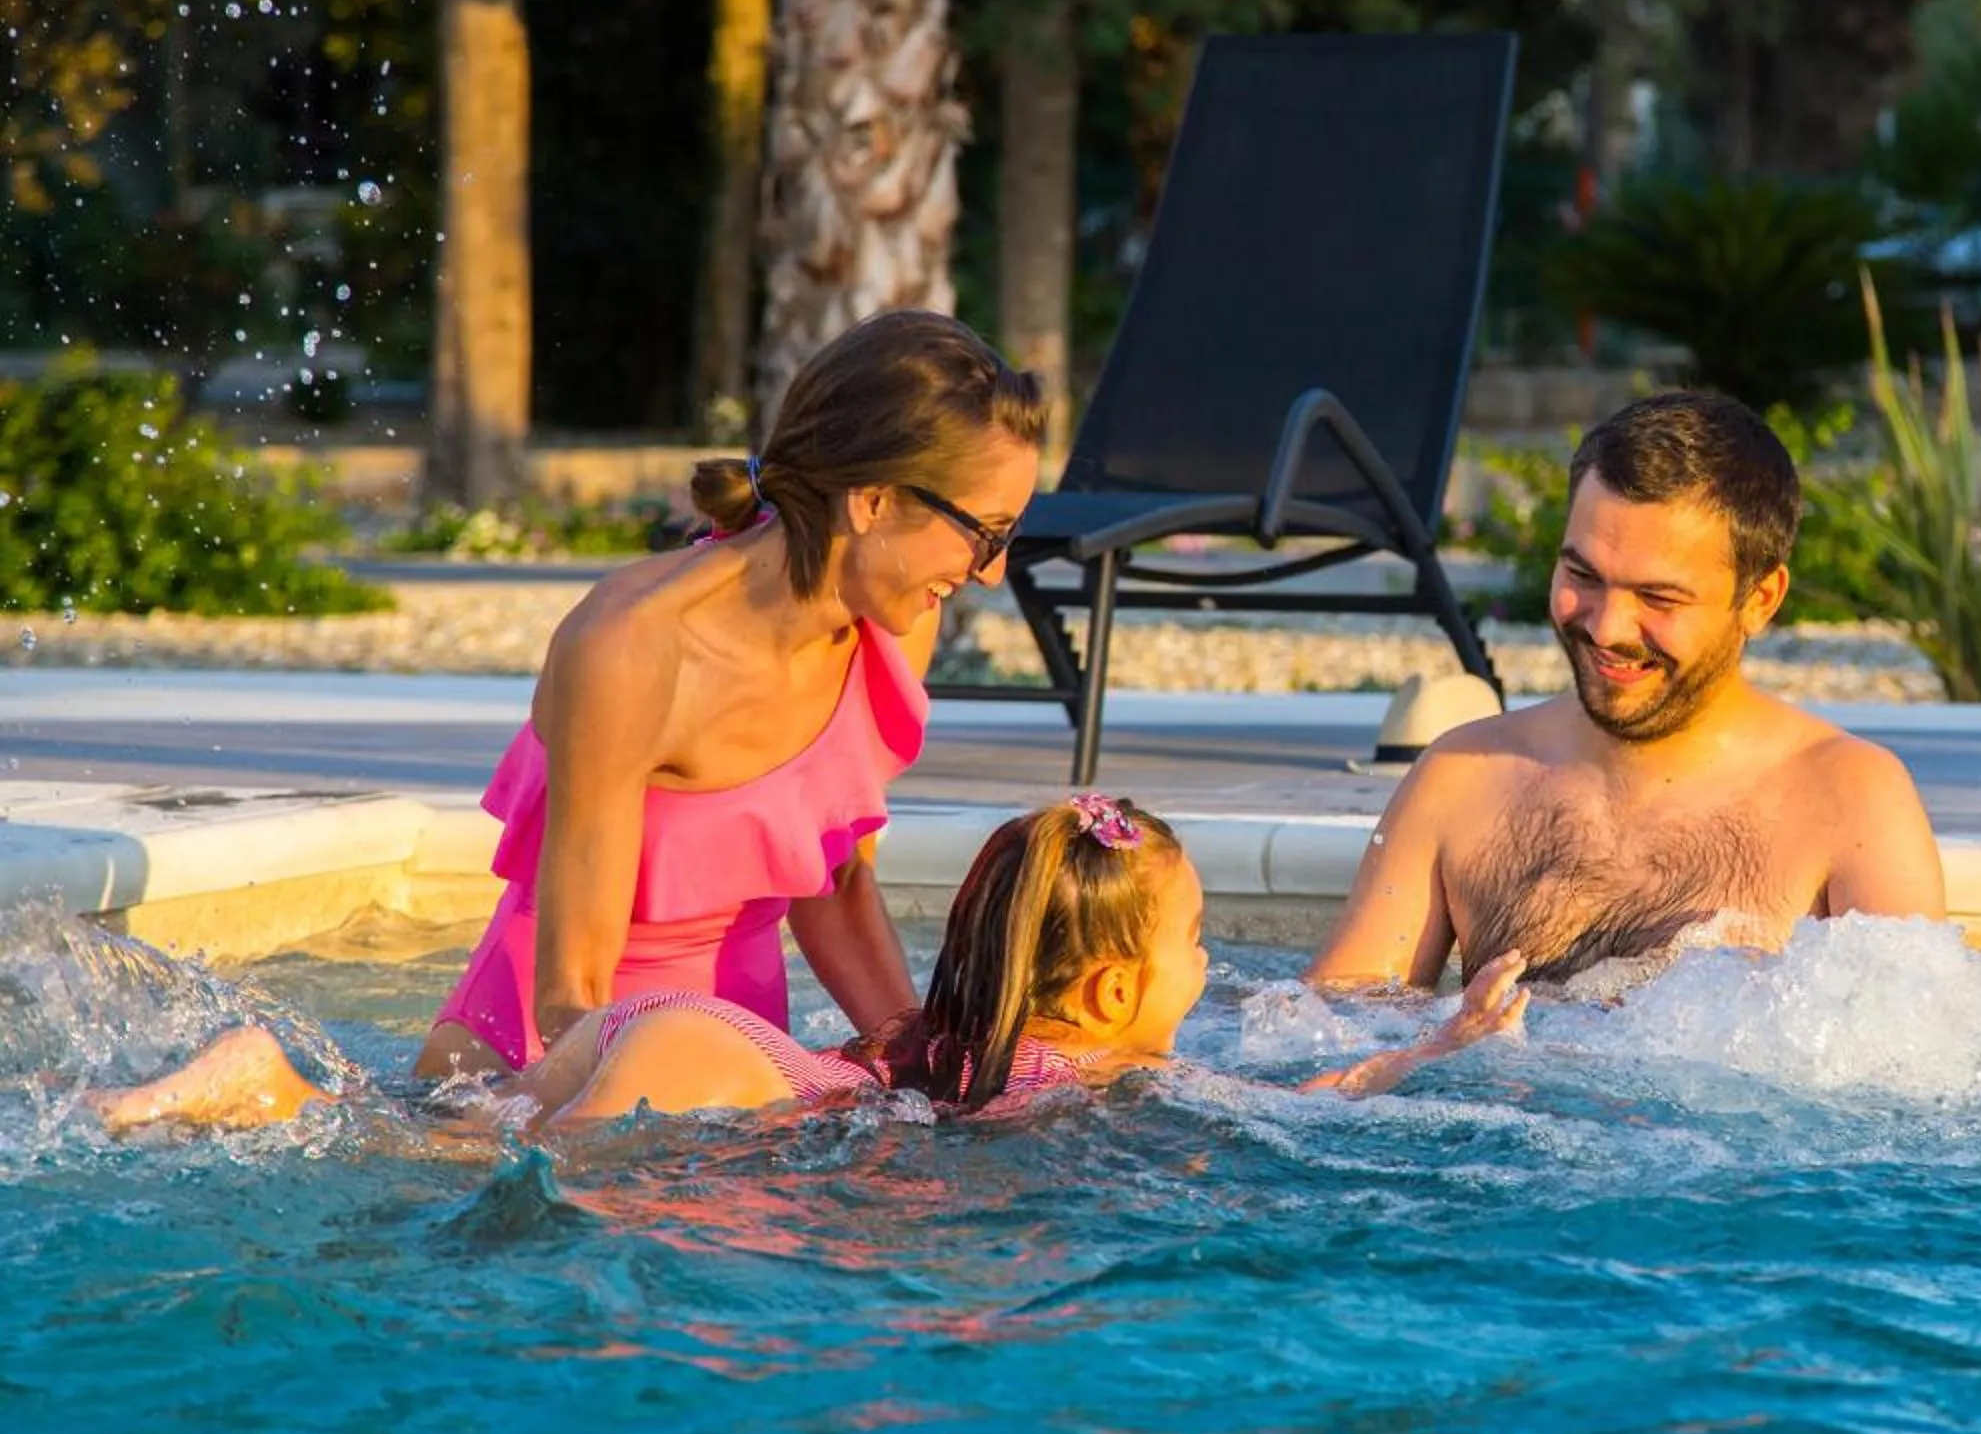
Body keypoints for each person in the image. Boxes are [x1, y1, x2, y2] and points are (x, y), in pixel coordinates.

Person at [92, 796, 1530, 1133]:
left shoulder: (951, 1044)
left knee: (459, 1129)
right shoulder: (1086, 1080)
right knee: (432, 1173)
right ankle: (272, 1083)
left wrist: (1434, 1044)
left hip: (694, 1035)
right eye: (1197, 947)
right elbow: (1305, 1101)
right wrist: (1436, 1054)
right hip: (717, 1067)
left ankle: (301, 1079)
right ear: (1103, 996)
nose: (1207, 970)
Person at [417, 307, 1044, 1080]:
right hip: (539, 1063)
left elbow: (836, 883)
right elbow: (572, 993)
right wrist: (649, 1108)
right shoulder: (632, 646)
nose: (991, 572)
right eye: (985, 534)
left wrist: (926, 1065)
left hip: (738, 1057)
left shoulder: (895, 626)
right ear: (873, 502)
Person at [1309, 390, 1946, 994]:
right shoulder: (1461, 779)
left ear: (1760, 599)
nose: (1607, 628)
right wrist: (1440, 1050)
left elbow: (1912, 1085)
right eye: (1581, 575)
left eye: (1658, 597)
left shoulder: (1850, 803)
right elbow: (1329, 1035)